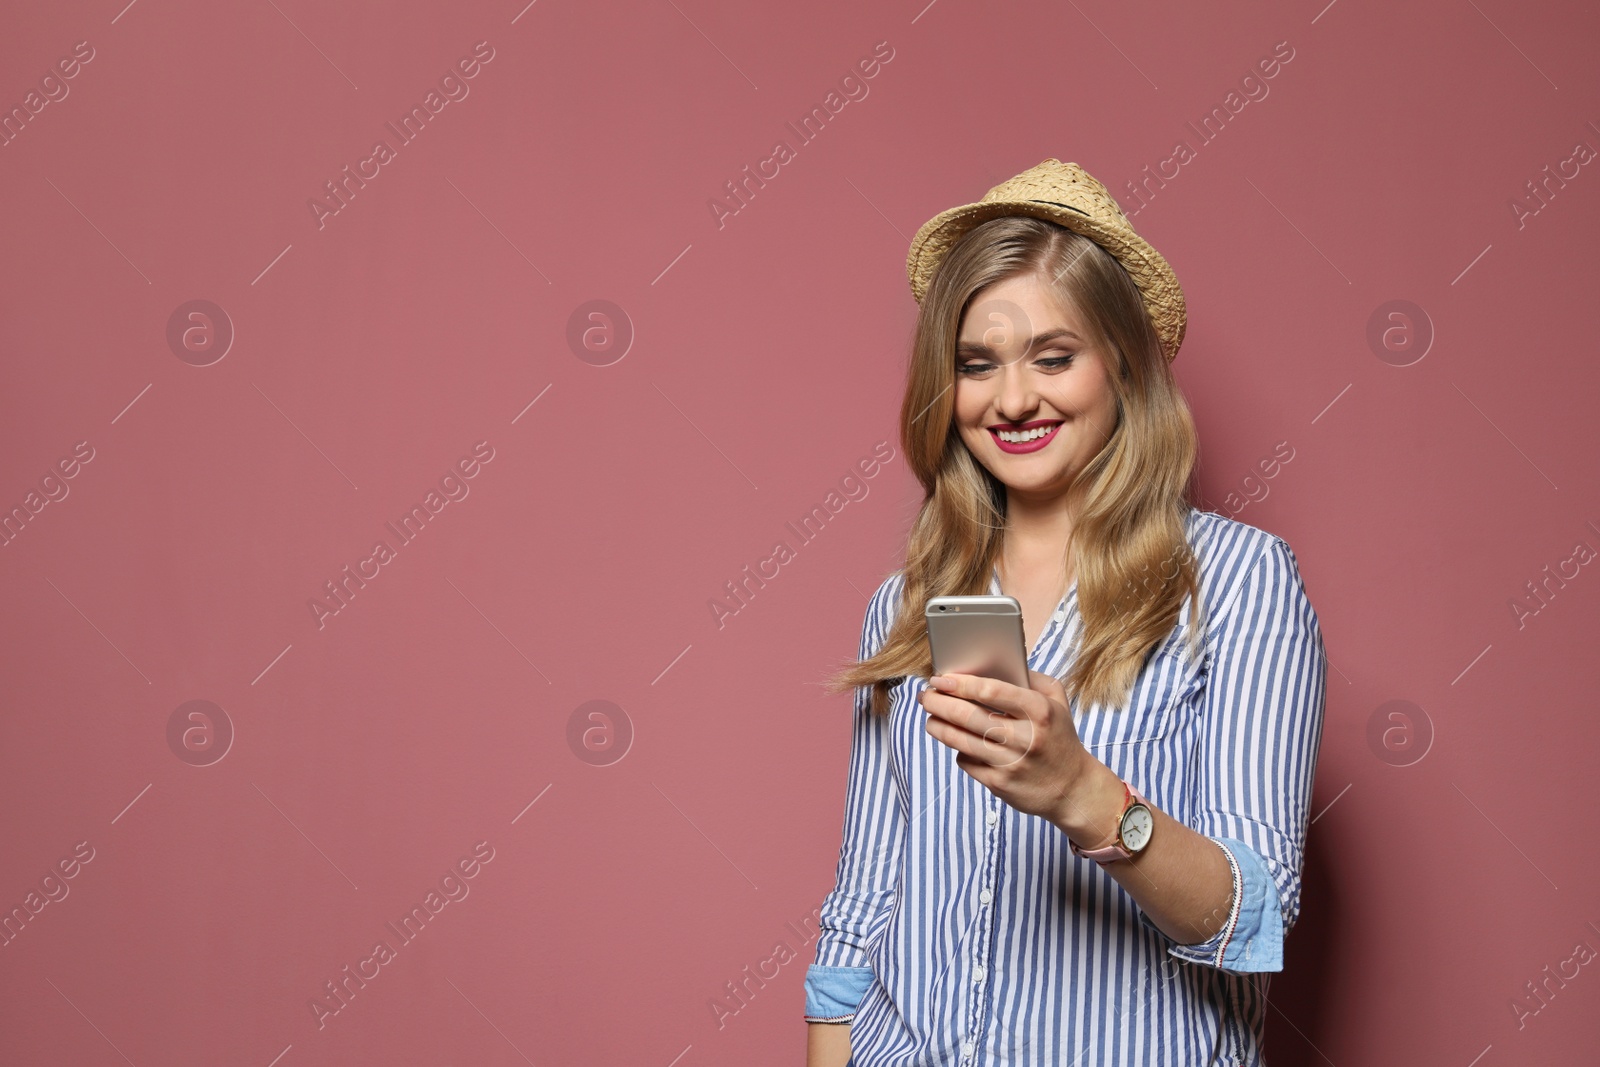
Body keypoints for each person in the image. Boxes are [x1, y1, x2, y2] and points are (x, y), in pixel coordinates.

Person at [803, 159, 1327, 1067]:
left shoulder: (1240, 580)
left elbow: (1256, 915)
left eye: (1053, 356)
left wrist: (1084, 794)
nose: (1011, 400)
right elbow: (861, 906)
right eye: (978, 364)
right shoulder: (909, 603)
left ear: (1122, 363)